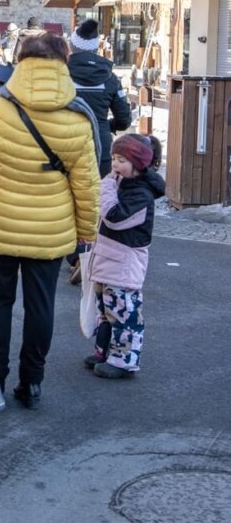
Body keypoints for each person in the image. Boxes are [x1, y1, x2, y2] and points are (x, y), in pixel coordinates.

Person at [0, 32, 100, 408]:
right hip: (50, 231)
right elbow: (87, 184)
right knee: (41, 305)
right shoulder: (77, 114)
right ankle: (32, 383)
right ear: (63, 63)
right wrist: (87, 233)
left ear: (21, 61)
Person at [84, 134, 164, 379]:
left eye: (121, 160)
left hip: (124, 263)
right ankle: (105, 351)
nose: (115, 165)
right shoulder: (123, 183)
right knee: (106, 309)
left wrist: (106, 188)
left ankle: (123, 360)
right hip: (109, 260)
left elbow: (114, 217)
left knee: (124, 312)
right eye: (114, 159)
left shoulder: (141, 194)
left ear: (138, 164)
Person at [67, 19, 131, 177]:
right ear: (97, 48)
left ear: (72, 47)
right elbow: (124, 119)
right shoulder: (111, 78)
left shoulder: (60, 74)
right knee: (100, 197)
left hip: (66, 146)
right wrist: (106, 125)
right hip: (100, 147)